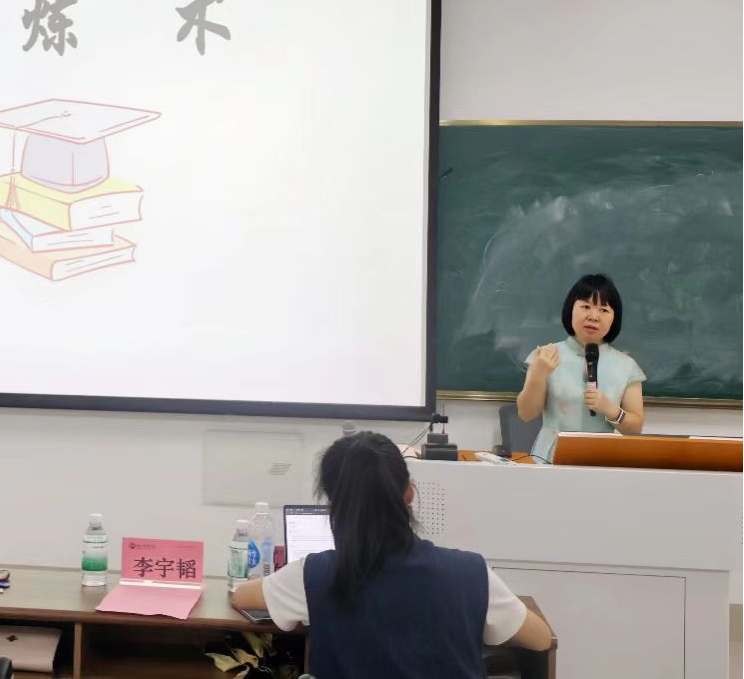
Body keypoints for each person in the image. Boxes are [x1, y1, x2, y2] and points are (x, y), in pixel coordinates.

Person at [231, 432, 552, 678]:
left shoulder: (314, 574)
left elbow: (242, 596)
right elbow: (540, 639)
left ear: (334, 501)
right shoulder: (470, 573)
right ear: (409, 492)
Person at [517, 273, 645, 463]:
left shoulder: (626, 366)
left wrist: (611, 409)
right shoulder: (546, 355)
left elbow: (635, 429)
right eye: (585, 307)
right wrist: (539, 373)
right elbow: (526, 414)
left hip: (601, 461)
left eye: (604, 310)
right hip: (550, 459)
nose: (593, 316)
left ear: (614, 318)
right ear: (571, 309)